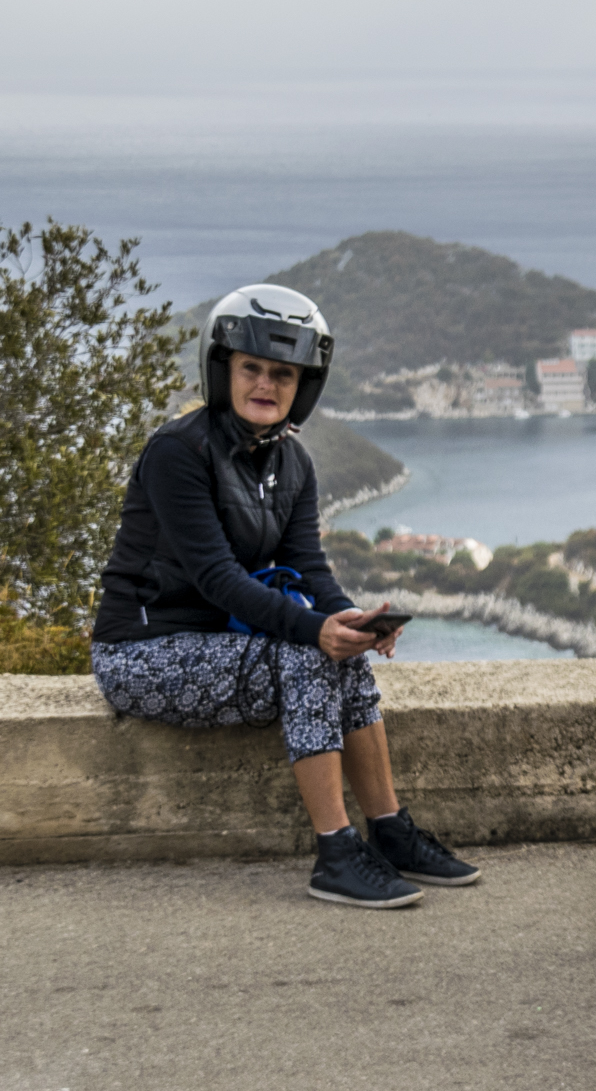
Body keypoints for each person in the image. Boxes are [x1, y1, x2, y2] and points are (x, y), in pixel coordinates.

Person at [90, 284, 478, 909]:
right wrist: (314, 630)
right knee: (306, 653)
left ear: (304, 386)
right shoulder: (177, 452)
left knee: (341, 655)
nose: (266, 384)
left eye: (283, 374)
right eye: (252, 368)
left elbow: (308, 567)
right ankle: (336, 854)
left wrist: (352, 619)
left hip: (218, 645)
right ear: (223, 370)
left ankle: (390, 831)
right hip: (140, 652)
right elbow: (218, 578)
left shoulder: (292, 462)